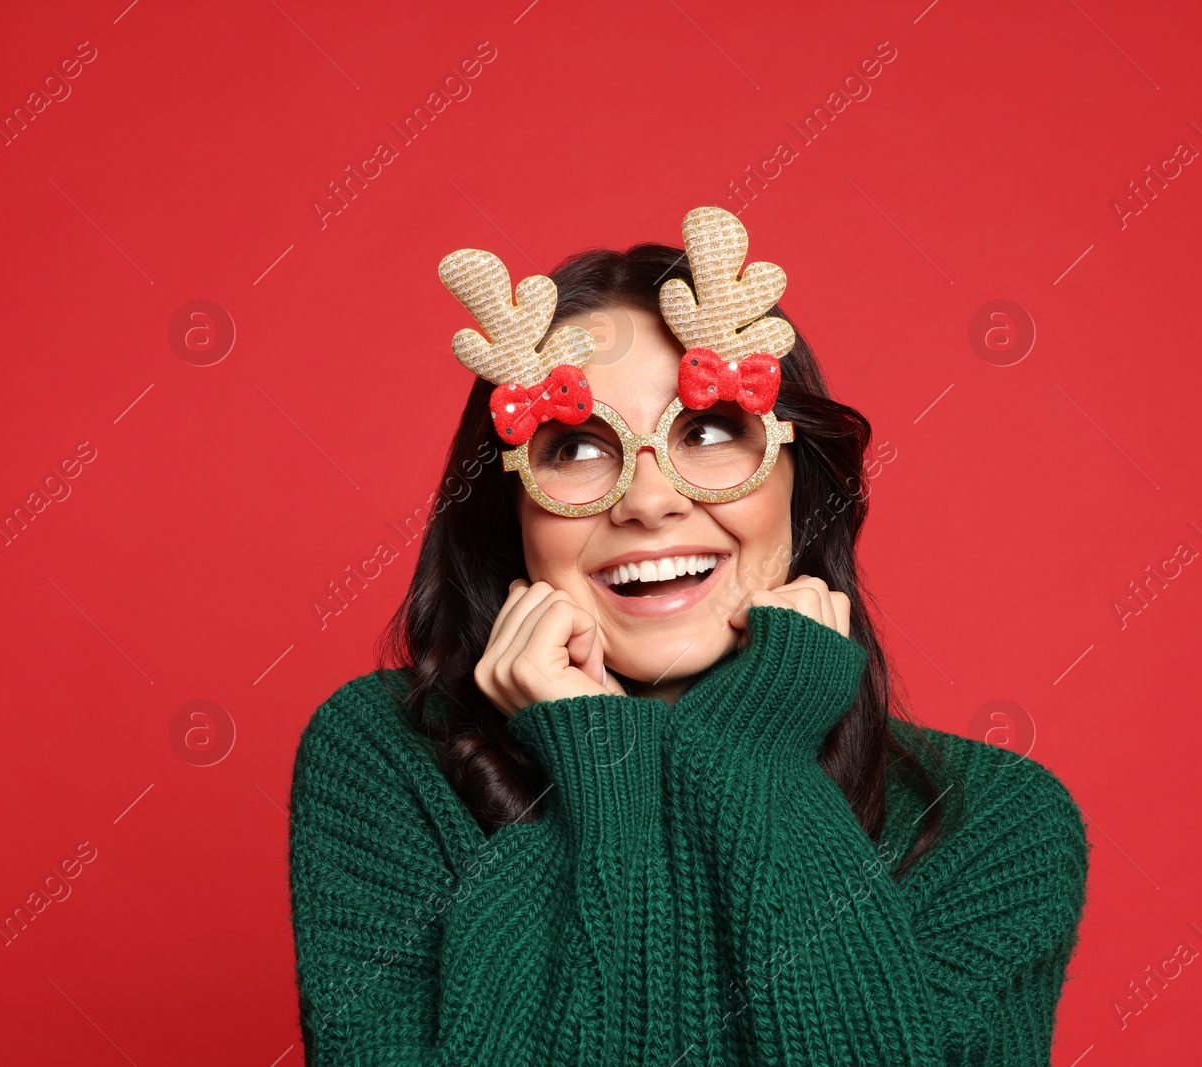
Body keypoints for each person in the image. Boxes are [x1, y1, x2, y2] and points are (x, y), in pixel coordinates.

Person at [287, 207, 1090, 1064]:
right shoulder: (385, 759)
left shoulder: (990, 821)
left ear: (797, 479)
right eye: (576, 450)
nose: (647, 500)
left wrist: (757, 756)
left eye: (707, 432)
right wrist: (607, 766)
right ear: (512, 511)